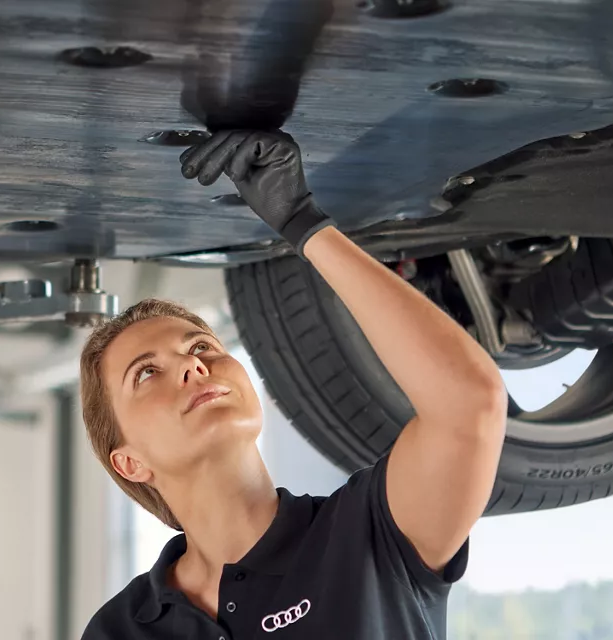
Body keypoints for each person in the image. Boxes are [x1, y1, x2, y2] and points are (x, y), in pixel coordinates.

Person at [79, 130, 507, 639]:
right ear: (129, 462)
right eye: (146, 373)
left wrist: (304, 223)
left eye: (201, 348)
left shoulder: (368, 535)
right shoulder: (121, 630)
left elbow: (469, 404)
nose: (193, 368)